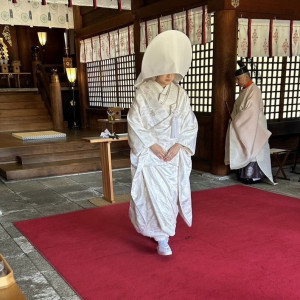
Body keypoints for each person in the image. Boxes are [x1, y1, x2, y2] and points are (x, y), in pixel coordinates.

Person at [127, 30, 198, 256]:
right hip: (151, 153)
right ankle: (161, 236)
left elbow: (189, 122)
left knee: (168, 196)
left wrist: (178, 146)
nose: (170, 76)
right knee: (152, 195)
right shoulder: (143, 93)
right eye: (165, 70)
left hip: (173, 154)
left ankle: (164, 233)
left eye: (173, 71)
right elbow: (135, 122)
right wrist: (151, 145)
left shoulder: (180, 93)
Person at [225, 61, 274, 185]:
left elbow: (250, 111)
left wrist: (236, 120)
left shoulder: (254, 90)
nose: (237, 82)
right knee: (245, 148)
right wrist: (235, 117)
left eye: (238, 79)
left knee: (252, 149)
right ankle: (244, 175)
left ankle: (253, 176)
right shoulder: (245, 90)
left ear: (246, 77)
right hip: (246, 124)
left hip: (253, 125)